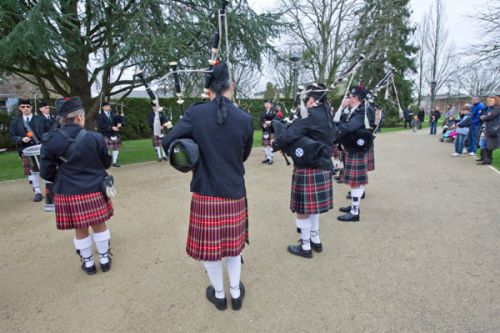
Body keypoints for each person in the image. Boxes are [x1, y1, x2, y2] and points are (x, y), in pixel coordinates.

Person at [162, 63, 253, 311]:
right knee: (234, 247)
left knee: (212, 250)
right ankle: (236, 292)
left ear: (208, 90)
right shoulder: (245, 119)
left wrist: (191, 153)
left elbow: (168, 142)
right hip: (234, 190)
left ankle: (220, 295)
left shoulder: (195, 113)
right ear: (230, 87)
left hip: (206, 191)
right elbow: (243, 155)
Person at [40, 97, 114, 275]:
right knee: (99, 224)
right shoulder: (95, 138)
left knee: (79, 228)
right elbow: (106, 163)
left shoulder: (51, 140)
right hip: (95, 188)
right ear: (80, 117)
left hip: (68, 191)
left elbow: (45, 172)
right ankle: (104, 259)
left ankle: (88, 264)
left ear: (62, 119)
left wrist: (62, 177)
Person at [272, 84, 334, 259]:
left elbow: (290, 134)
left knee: (302, 208)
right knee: (312, 208)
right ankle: (315, 239)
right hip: (323, 164)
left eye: (307, 99)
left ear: (312, 100)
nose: (305, 103)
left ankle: (305, 247)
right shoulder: (327, 114)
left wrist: (277, 144)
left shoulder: (311, 115)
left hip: (308, 166)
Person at [336, 86, 370, 222]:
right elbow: (340, 120)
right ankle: (353, 207)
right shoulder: (352, 110)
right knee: (354, 183)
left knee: (355, 183)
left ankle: (355, 212)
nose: (347, 98)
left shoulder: (361, 112)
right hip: (351, 148)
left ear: (356, 98)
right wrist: (342, 108)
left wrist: (335, 133)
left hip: (357, 150)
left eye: (350, 96)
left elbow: (349, 127)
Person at [9, 98, 47, 202]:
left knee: (46, 169)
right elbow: (12, 136)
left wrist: (45, 138)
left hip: (41, 148)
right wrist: (21, 139)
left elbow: (49, 130)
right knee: (32, 172)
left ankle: (49, 191)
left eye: (28, 106)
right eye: (23, 107)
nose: (26, 109)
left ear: (31, 107)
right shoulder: (15, 121)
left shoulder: (41, 119)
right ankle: (38, 192)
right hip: (25, 150)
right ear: (19, 108)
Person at [97, 102, 123, 167]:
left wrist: (119, 123)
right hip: (105, 134)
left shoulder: (112, 114)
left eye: (109, 106)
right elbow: (101, 125)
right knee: (107, 149)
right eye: (106, 106)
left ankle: (114, 162)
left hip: (114, 133)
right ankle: (107, 163)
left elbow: (118, 120)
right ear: (103, 108)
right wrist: (111, 127)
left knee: (116, 148)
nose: (108, 108)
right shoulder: (100, 116)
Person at [478, 95, 500, 165]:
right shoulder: (489, 108)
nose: (489, 102)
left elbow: (490, 116)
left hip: (492, 129)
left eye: (491, 101)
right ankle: (485, 159)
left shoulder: (497, 108)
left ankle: (488, 160)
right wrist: (483, 117)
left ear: (496, 101)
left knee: (489, 145)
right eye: (489, 101)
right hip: (485, 128)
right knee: (482, 143)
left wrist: (484, 117)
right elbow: (484, 116)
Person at [260, 99, 277, 165]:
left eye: (268, 104)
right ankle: (267, 157)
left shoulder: (274, 112)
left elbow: (276, 120)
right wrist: (263, 124)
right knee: (265, 145)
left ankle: (271, 158)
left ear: (270, 105)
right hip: (265, 131)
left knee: (271, 144)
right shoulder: (262, 113)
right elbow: (261, 121)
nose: (266, 105)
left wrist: (270, 123)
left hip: (271, 130)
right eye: (265, 104)